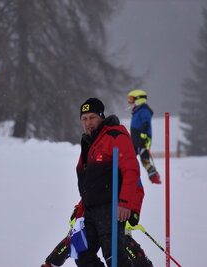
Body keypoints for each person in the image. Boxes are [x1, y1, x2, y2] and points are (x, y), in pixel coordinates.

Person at [73, 97, 144, 267]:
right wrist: (80, 208)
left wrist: (125, 202)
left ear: (101, 117)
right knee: (81, 253)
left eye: (92, 117)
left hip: (111, 208)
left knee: (114, 258)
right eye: (84, 119)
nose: (88, 122)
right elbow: (89, 183)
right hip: (90, 211)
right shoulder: (89, 143)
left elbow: (131, 170)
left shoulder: (115, 135)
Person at [41, 202, 153, 267]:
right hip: (92, 213)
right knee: (76, 244)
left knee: (122, 245)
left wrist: (133, 210)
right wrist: (80, 209)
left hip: (117, 213)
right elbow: (88, 185)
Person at [127, 90, 161, 184]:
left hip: (143, 138)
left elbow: (146, 123)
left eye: (132, 99)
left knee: (144, 158)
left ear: (139, 99)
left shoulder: (144, 110)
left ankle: (154, 175)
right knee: (128, 156)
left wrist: (144, 136)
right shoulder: (137, 110)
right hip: (135, 139)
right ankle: (127, 173)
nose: (130, 102)